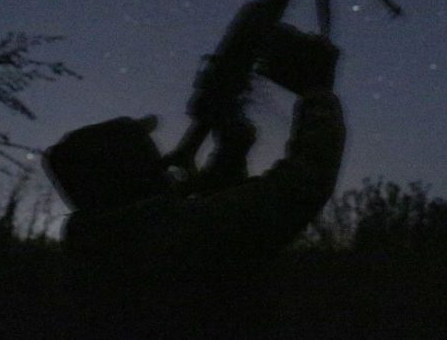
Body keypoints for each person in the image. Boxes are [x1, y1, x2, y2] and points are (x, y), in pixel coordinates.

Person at [43, 22, 345, 297]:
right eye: (146, 152)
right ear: (125, 174)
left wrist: (232, 149)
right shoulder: (157, 239)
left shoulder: (108, 244)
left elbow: (223, 232)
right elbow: (300, 186)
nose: (160, 158)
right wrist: (317, 94)